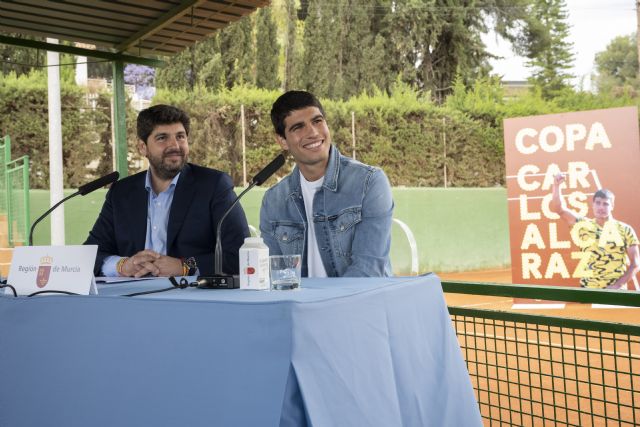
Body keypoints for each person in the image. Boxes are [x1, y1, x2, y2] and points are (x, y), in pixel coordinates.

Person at [85, 104, 249, 277]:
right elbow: (89, 254)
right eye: (162, 138)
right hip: (131, 297)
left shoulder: (213, 185)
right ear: (143, 148)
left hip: (190, 297)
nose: (174, 145)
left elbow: (241, 254)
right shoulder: (122, 192)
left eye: (180, 137)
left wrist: (184, 266)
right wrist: (123, 265)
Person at [260, 90, 394, 277]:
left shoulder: (369, 183)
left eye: (317, 121)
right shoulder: (273, 201)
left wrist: (324, 306)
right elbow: (276, 277)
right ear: (282, 141)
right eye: (298, 127)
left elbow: (367, 272)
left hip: (361, 304)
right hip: (302, 305)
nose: (313, 133)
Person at [551, 173, 640, 289]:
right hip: (588, 291)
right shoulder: (582, 225)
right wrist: (556, 186)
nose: (601, 207)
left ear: (612, 206)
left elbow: (635, 264)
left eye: (605, 204)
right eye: (598, 203)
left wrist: (617, 286)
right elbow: (559, 209)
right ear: (593, 205)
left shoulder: (625, 229)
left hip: (616, 294)